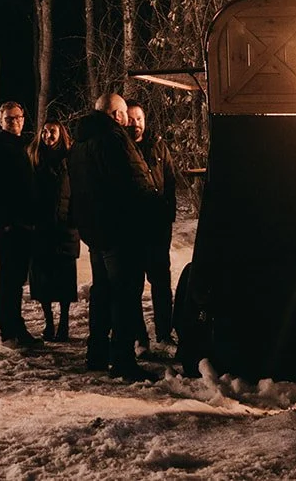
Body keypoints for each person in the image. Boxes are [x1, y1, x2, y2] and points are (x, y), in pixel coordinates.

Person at [70, 92, 161, 381]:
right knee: (125, 294)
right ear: (117, 115)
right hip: (121, 230)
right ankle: (123, 360)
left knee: (102, 291)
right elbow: (134, 182)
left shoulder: (81, 143)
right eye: (123, 114)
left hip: (95, 231)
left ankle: (96, 352)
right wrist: (151, 206)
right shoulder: (113, 139)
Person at [0, 101, 39, 348]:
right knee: (9, 280)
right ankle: (8, 332)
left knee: (16, 279)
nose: (14, 122)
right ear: (1, 122)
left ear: (23, 119)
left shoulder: (21, 146)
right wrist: (5, 224)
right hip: (9, 226)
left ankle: (17, 328)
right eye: (9, 119)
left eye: (17, 117)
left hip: (24, 224)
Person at [128, 102, 177, 349]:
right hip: (133, 229)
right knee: (134, 285)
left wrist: (168, 214)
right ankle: (140, 337)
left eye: (139, 118)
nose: (135, 123)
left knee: (161, 282)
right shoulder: (121, 148)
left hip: (158, 227)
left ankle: (164, 334)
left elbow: (170, 180)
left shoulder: (158, 145)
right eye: (130, 118)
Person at [29, 119, 79, 342]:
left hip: (65, 228)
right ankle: (49, 322)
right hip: (40, 229)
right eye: (46, 132)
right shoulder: (33, 157)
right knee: (43, 280)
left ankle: (65, 323)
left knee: (65, 280)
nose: (48, 136)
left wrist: (75, 219)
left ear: (61, 133)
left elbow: (79, 190)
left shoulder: (70, 158)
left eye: (53, 132)